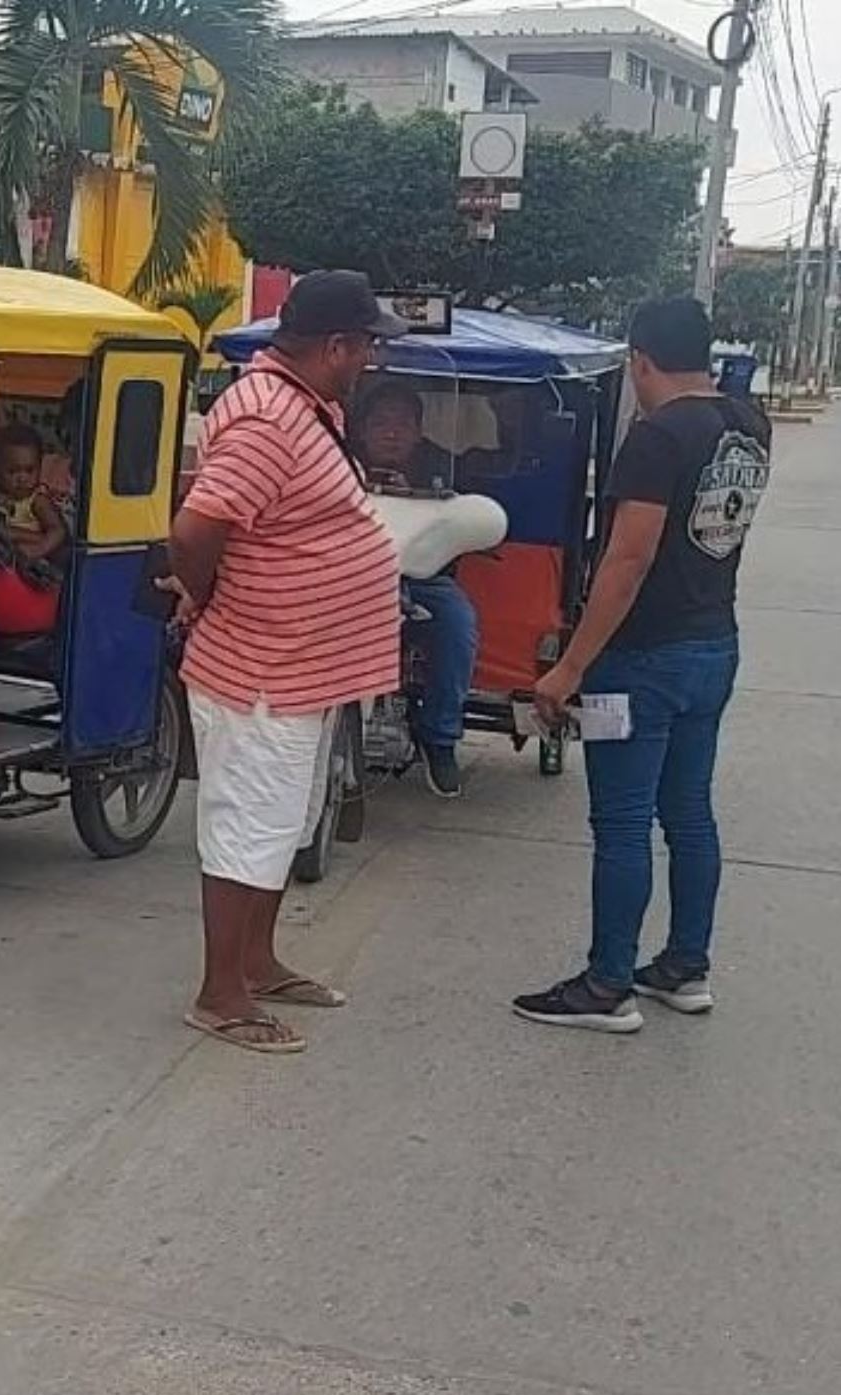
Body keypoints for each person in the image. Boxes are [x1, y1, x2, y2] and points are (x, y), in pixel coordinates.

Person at [515, 296, 771, 1033]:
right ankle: (685, 965)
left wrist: (569, 667)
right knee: (689, 812)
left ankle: (607, 984)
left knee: (622, 824)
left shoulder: (657, 438)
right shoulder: (747, 425)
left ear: (640, 359)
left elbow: (628, 559)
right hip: (713, 642)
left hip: (642, 659)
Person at [167, 271, 407, 1054]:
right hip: (262, 668)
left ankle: (259, 962)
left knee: (282, 824)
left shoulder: (302, 404)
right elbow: (196, 529)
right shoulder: (272, 416)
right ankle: (220, 993)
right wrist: (203, 598)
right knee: (248, 826)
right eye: (368, 343)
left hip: (301, 668)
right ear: (335, 346)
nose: (373, 357)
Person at [355, 383, 479, 798]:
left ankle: (441, 737)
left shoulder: (442, 467)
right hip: (352, 573)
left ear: (418, 430)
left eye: (402, 424)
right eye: (380, 423)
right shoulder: (339, 463)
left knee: (458, 621)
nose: (391, 432)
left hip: (423, 577)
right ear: (363, 429)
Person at [0, 423, 65, 636]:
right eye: (12, 471)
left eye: (30, 470)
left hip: (28, 566)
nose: (22, 478)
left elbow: (57, 531)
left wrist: (37, 550)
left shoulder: (36, 500)